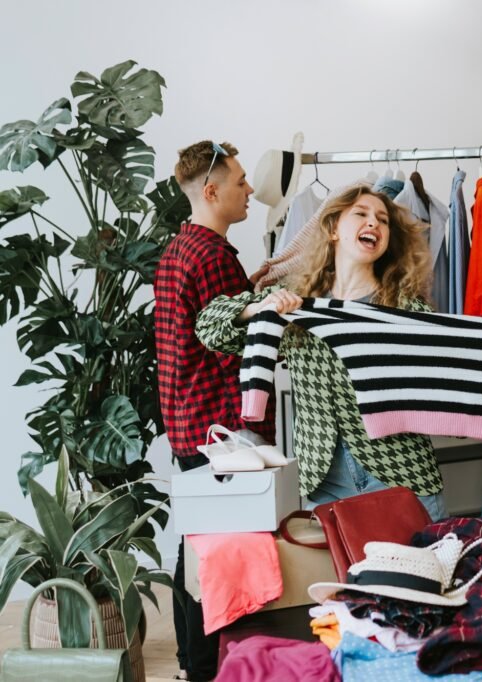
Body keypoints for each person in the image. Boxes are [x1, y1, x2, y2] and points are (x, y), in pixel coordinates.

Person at [196, 183, 447, 520]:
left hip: (401, 477)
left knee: (421, 572)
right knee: (337, 575)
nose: (373, 223)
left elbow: (441, 379)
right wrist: (259, 309)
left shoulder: (405, 311)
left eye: (383, 220)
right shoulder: (296, 303)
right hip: (324, 481)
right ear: (333, 231)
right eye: (360, 214)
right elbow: (209, 328)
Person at [154, 140, 276, 682]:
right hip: (219, 429)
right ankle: (207, 666)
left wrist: (251, 288)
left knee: (195, 546)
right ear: (211, 191)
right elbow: (231, 340)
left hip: (188, 424)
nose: (250, 190)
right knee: (216, 555)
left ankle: (191, 662)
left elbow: (202, 329)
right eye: (241, 181)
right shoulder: (212, 256)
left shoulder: (181, 248)